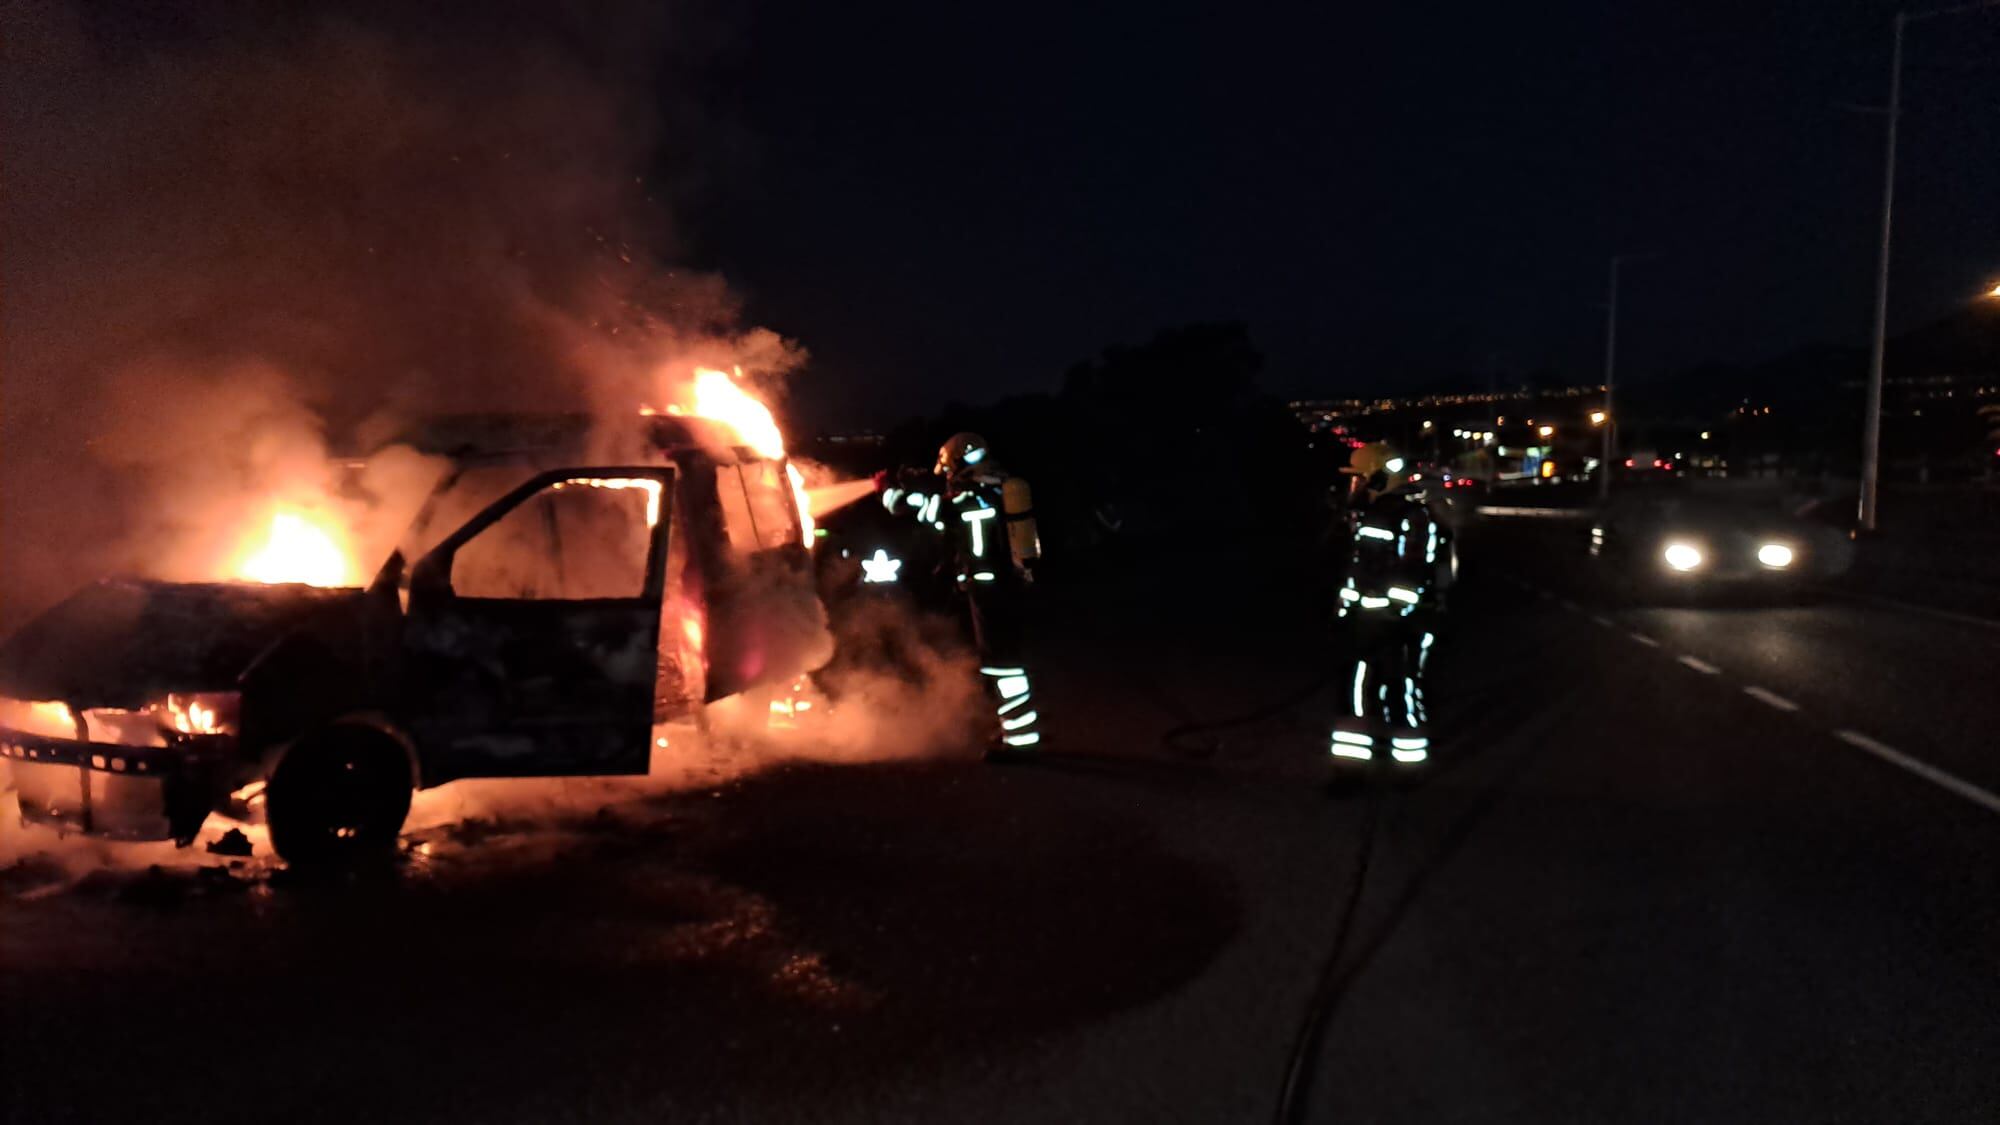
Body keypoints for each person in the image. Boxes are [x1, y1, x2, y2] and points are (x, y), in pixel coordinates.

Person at [880, 432, 1045, 757]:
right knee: (1003, 660)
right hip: (1002, 587)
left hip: (989, 590)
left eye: (949, 469)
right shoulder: (997, 489)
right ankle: (1015, 730)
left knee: (1003, 664)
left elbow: (925, 510)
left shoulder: (972, 498)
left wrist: (887, 492)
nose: (948, 477)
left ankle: (1020, 741)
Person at [1330, 442, 1450, 770]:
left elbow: (1413, 573)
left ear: (1380, 477)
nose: (1356, 485)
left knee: (1401, 689)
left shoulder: (1413, 517)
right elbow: (1357, 570)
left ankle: (1408, 767)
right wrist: (1346, 609)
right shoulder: (1368, 515)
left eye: (1360, 478)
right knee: (1355, 690)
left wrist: (1393, 614)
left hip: (1402, 626)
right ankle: (1351, 767)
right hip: (1366, 622)